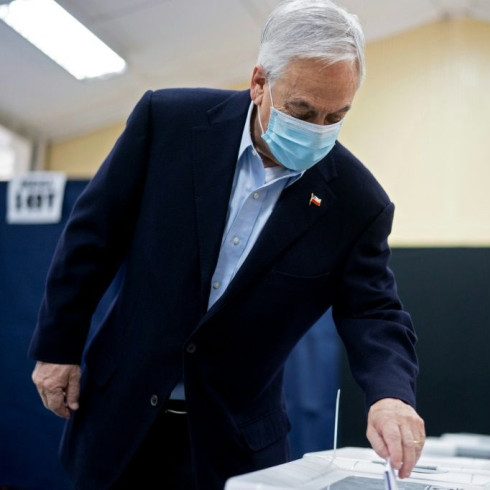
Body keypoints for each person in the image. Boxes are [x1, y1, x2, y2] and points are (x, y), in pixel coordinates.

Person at [28, 1, 425, 488]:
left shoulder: (357, 204)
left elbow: (374, 312)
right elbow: (93, 237)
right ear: (260, 82)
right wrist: (58, 347)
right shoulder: (168, 122)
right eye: (302, 110)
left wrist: (391, 395)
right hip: (121, 415)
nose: (317, 128)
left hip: (232, 443)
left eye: (335, 115)